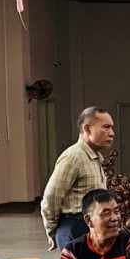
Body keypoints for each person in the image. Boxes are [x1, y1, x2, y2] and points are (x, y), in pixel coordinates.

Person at [40, 106, 113, 251]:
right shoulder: (74, 157)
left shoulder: (94, 157)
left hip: (92, 226)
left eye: (111, 128)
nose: (111, 133)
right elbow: (51, 196)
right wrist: (52, 230)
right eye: (106, 127)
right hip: (75, 226)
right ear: (87, 129)